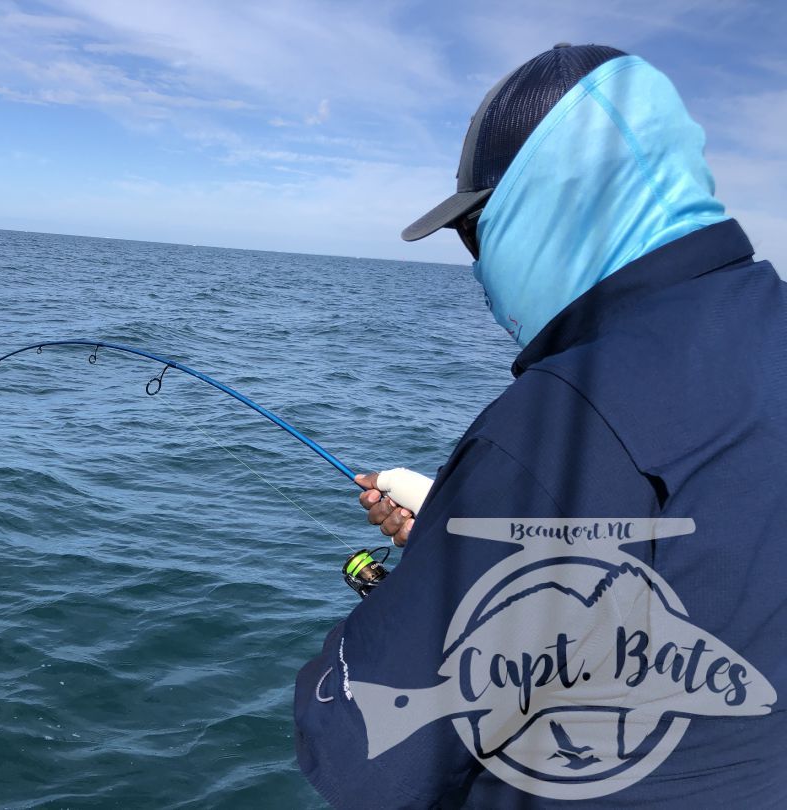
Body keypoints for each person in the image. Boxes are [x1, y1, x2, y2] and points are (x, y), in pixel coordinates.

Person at [294, 43, 787, 808]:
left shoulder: (561, 421)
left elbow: (362, 755)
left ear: (539, 208)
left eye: (474, 232)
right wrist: (463, 537)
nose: (476, 264)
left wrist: (416, 589)